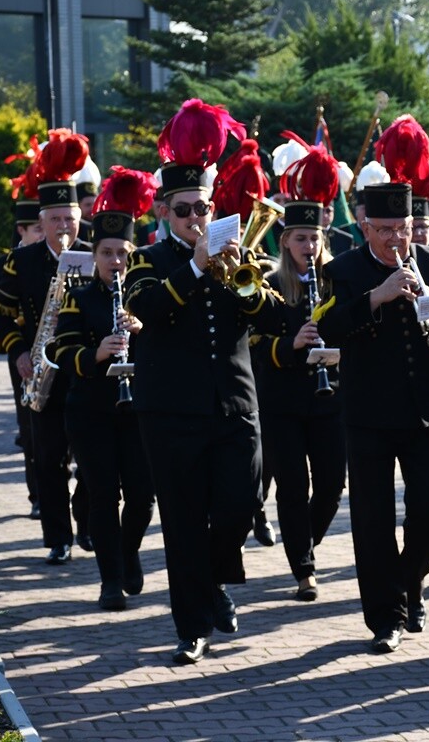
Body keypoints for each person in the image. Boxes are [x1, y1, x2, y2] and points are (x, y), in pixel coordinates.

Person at [124, 99, 287, 665]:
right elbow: (146, 309)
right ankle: (192, 627)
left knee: (242, 502)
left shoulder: (236, 256)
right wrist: (195, 266)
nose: (195, 216)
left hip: (235, 405)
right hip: (170, 412)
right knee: (183, 520)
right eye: (183, 209)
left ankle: (215, 578)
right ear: (164, 212)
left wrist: (243, 274)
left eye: (202, 207)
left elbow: (275, 317)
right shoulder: (146, 261)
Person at [317, 181, 429, 654]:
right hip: (368, 415)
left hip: (427, 410)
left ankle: (409, 583)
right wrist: (377, 296)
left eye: (402, 228)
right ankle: (385, 617)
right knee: (373, 520)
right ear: (365, 226)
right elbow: (327, 326)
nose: (395, 239)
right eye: (385, 229)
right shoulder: (343, 269)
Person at [47, 172, 157, 611]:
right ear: (93, 256)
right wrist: (97, 353)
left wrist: (143, 332)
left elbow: (170, 349)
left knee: (143, 497)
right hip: (90, 410)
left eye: (123, 254)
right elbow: (60, 348)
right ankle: (110, 579)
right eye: (107, 254)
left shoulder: (144, 297)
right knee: (103, 495)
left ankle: (128, 551)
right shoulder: (79, 297)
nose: (116, 262)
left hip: (138, 410)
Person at [0, 130, 93, 565]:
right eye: (57, 220)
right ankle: (58, 537)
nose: (65, 227)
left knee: (92, 457)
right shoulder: (21, 261)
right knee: (48, 458)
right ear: (43, 221)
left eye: (71, 218)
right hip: (40, 370)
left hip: (86, 369)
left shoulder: (93, 255)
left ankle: (86, 520)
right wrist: (19, 352)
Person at [249, 197, 346, 604]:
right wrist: (292, 344)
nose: (309, 246)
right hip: (282, 402)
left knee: (331, 486)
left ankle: (303, 540)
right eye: (301, 238)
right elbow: (254, 344)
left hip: (330, 400)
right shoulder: (269, 284)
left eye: (315, 238)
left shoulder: (336, 281)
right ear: (286, 241)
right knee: (292, 487)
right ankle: (304, 569)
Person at [0, 196, 44, 518]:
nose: (45, 233)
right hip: (22, 354)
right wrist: (16, 345)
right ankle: (38, 495)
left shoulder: (64, 258)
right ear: (22, 229)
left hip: (57, 352)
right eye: (38, 228)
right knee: (30, 426)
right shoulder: (0, 266)